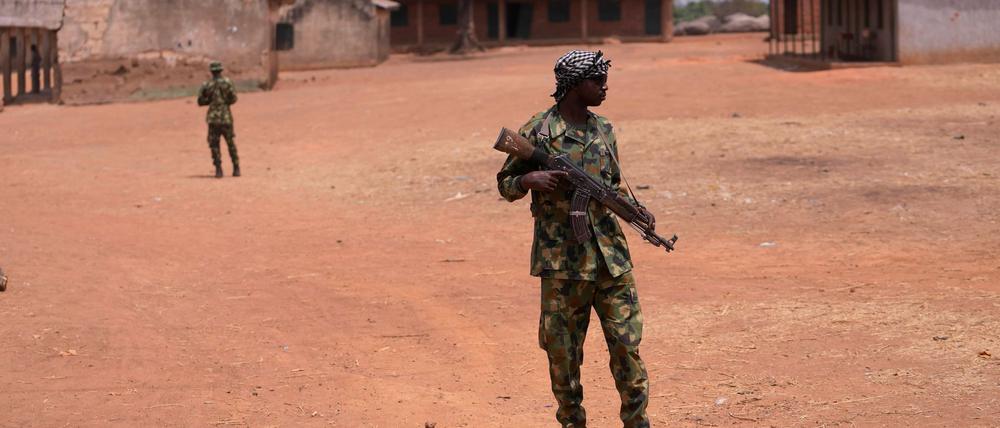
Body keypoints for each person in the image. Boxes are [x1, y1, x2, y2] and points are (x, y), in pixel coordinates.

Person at [496, 50, 652, 428]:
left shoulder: (604, 130)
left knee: (627, 347)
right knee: (563, 355)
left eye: (603, 79)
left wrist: (637, 210)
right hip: (562, 265)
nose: (604, 86)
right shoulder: (538, 131)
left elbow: (611, 187)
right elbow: (505, 183)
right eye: (596, 80)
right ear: (572, 85)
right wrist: (527, 180)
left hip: (611, 260)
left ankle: (637, 422)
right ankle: (571, 421)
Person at [197, 61, 240, 178]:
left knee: (214, 144)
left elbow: (200, 101)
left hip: (213, 119)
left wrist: (211, 102)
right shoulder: (228, 82)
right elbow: (234, 98)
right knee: (231, 143)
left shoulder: (207, 85)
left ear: (211, 71)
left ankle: (218, 169)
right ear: (221, 70)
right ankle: (236, 168)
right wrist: (225, 103)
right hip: (226, 117)